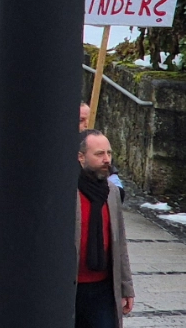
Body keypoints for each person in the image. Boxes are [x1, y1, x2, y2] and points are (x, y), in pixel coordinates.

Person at [77, 129, 135, 327]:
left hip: (102, 288)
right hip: (69, 288)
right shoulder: (66, 191)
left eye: (109, 153)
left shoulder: (111, 192)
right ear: (81, 157)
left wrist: (126, 288)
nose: (107, 159)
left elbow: (119, 242)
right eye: (99, 154)